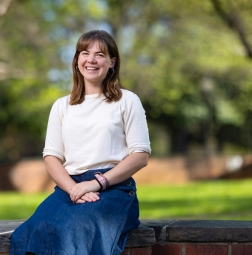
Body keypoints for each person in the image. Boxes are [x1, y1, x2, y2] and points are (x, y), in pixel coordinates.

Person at [10, 30, 151, 255]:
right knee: (34, 231)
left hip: (113, 189)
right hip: (69, 188)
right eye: (85, 53)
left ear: (112, 62)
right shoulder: (61, 106)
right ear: (77, 60)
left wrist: (96, 183)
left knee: (74, 232)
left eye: (100, 54)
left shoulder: (127, 101)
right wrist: (75, 188)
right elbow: (51, 157)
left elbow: (140, 156)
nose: (91, 60)